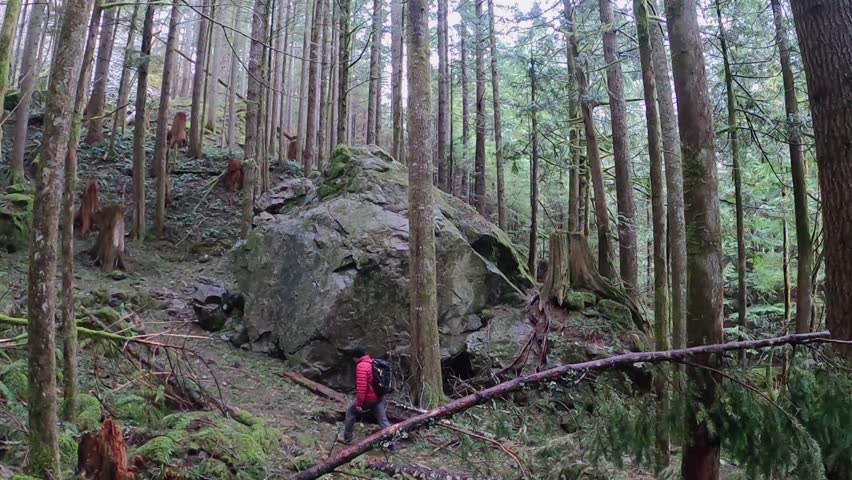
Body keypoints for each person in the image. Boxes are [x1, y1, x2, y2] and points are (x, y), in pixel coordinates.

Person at [342, 346, 395, 448]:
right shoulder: (373, 363)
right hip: (378, 397)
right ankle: (392, 445)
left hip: (369, 399)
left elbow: (362, 388)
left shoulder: (361, 366)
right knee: (383, 421)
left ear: (356, 357)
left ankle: (347, 439)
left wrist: (359, 404)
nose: (353, 360)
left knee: (350, 413)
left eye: (353, 358)